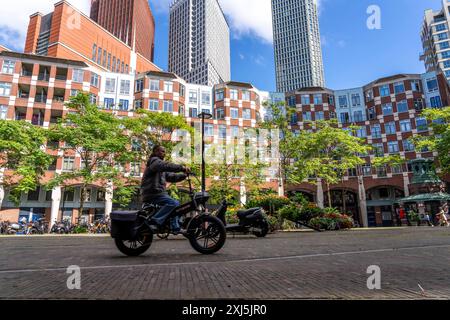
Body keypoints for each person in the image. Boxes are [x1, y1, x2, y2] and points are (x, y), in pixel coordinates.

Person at [141, 145, 190, 234]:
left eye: (164, 152)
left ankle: (175, 227)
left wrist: (184, 175)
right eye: (162, 151)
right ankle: (154, 221)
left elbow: (171, 177)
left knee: (176, 204)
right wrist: (181, 168)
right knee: (173, 203)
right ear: (155, 152)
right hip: (152, 193)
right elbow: (165, 165)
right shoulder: (154, 161)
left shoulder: (160, 168)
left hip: (158, 193)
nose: (164, 153)